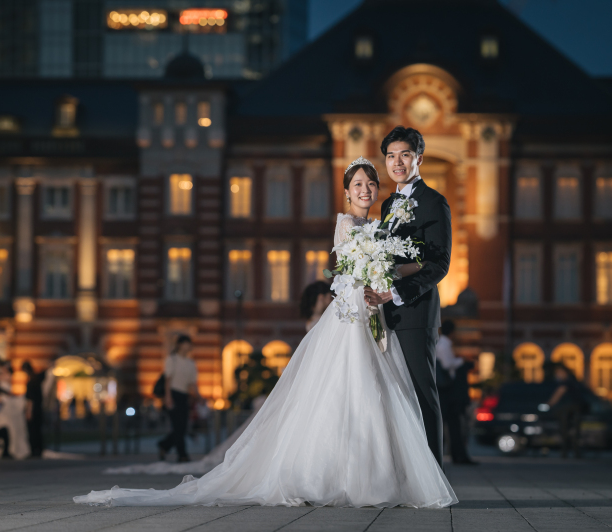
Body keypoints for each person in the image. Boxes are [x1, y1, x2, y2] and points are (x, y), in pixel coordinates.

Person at [75, 155, 456, 508]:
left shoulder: (380, 225)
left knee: (373, 389)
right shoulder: (346, 223)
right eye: (358, 183)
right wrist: (384, 272)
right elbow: (351, 269)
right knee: (346, 389)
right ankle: (333, 474)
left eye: (370, 184)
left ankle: (375, 474)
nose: (365, 189)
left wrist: (406, 272)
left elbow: (385, 264)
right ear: (346, 191)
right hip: (354, 310)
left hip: (373, 307)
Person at [364, 126, 452, 466]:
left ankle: (434, 476)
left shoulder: (433, 202)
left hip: (415, 313)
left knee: (422, 393)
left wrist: (395, 292)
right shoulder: (387, 204)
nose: (397, 162)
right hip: (387, 316)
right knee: (396, 394)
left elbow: (439, 264)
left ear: (418, 158)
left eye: (404, 155)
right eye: (390, 156)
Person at [436, 320, 477, 465]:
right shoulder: (444, 345)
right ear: (452, 332)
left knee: (449, 424)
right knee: (451, 424)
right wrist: (460, 361)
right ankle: (456, 455)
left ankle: (456, 455)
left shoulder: (441, 343)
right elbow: (447, 365)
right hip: (447, 390)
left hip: (446, 391)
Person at [157, 335, 198, 463]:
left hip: (184, 396)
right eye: (186, 343)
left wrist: (198, 396)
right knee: (178, 426)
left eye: (189, 344)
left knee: (182, 427)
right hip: (173, 394)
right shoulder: (172, 359)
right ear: (180, 345)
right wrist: (168, 397)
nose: (188, 346)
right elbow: (168, 380)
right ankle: (182, 454)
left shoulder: (191, 363)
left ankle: (164, 445)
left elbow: (192, 383)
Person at [547, 364, 583, 459]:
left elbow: (559, 393)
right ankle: (575, 453)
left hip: (567, 409)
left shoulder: (566, 382)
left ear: (564, 372)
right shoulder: (574, 381)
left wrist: (549, 404)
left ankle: (565, 452)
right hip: (576, 409)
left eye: (558, 373)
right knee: (574, 432)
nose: (557, 375)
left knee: (564, 431)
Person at [22, 361, 45, 458]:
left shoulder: (31, 382)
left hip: (33, 409)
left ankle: (34, 450)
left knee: (32, 431)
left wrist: (28, 411)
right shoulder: (37, 380)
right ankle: (39, 450)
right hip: (39, 408)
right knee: (38, 430)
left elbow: (30, 399)